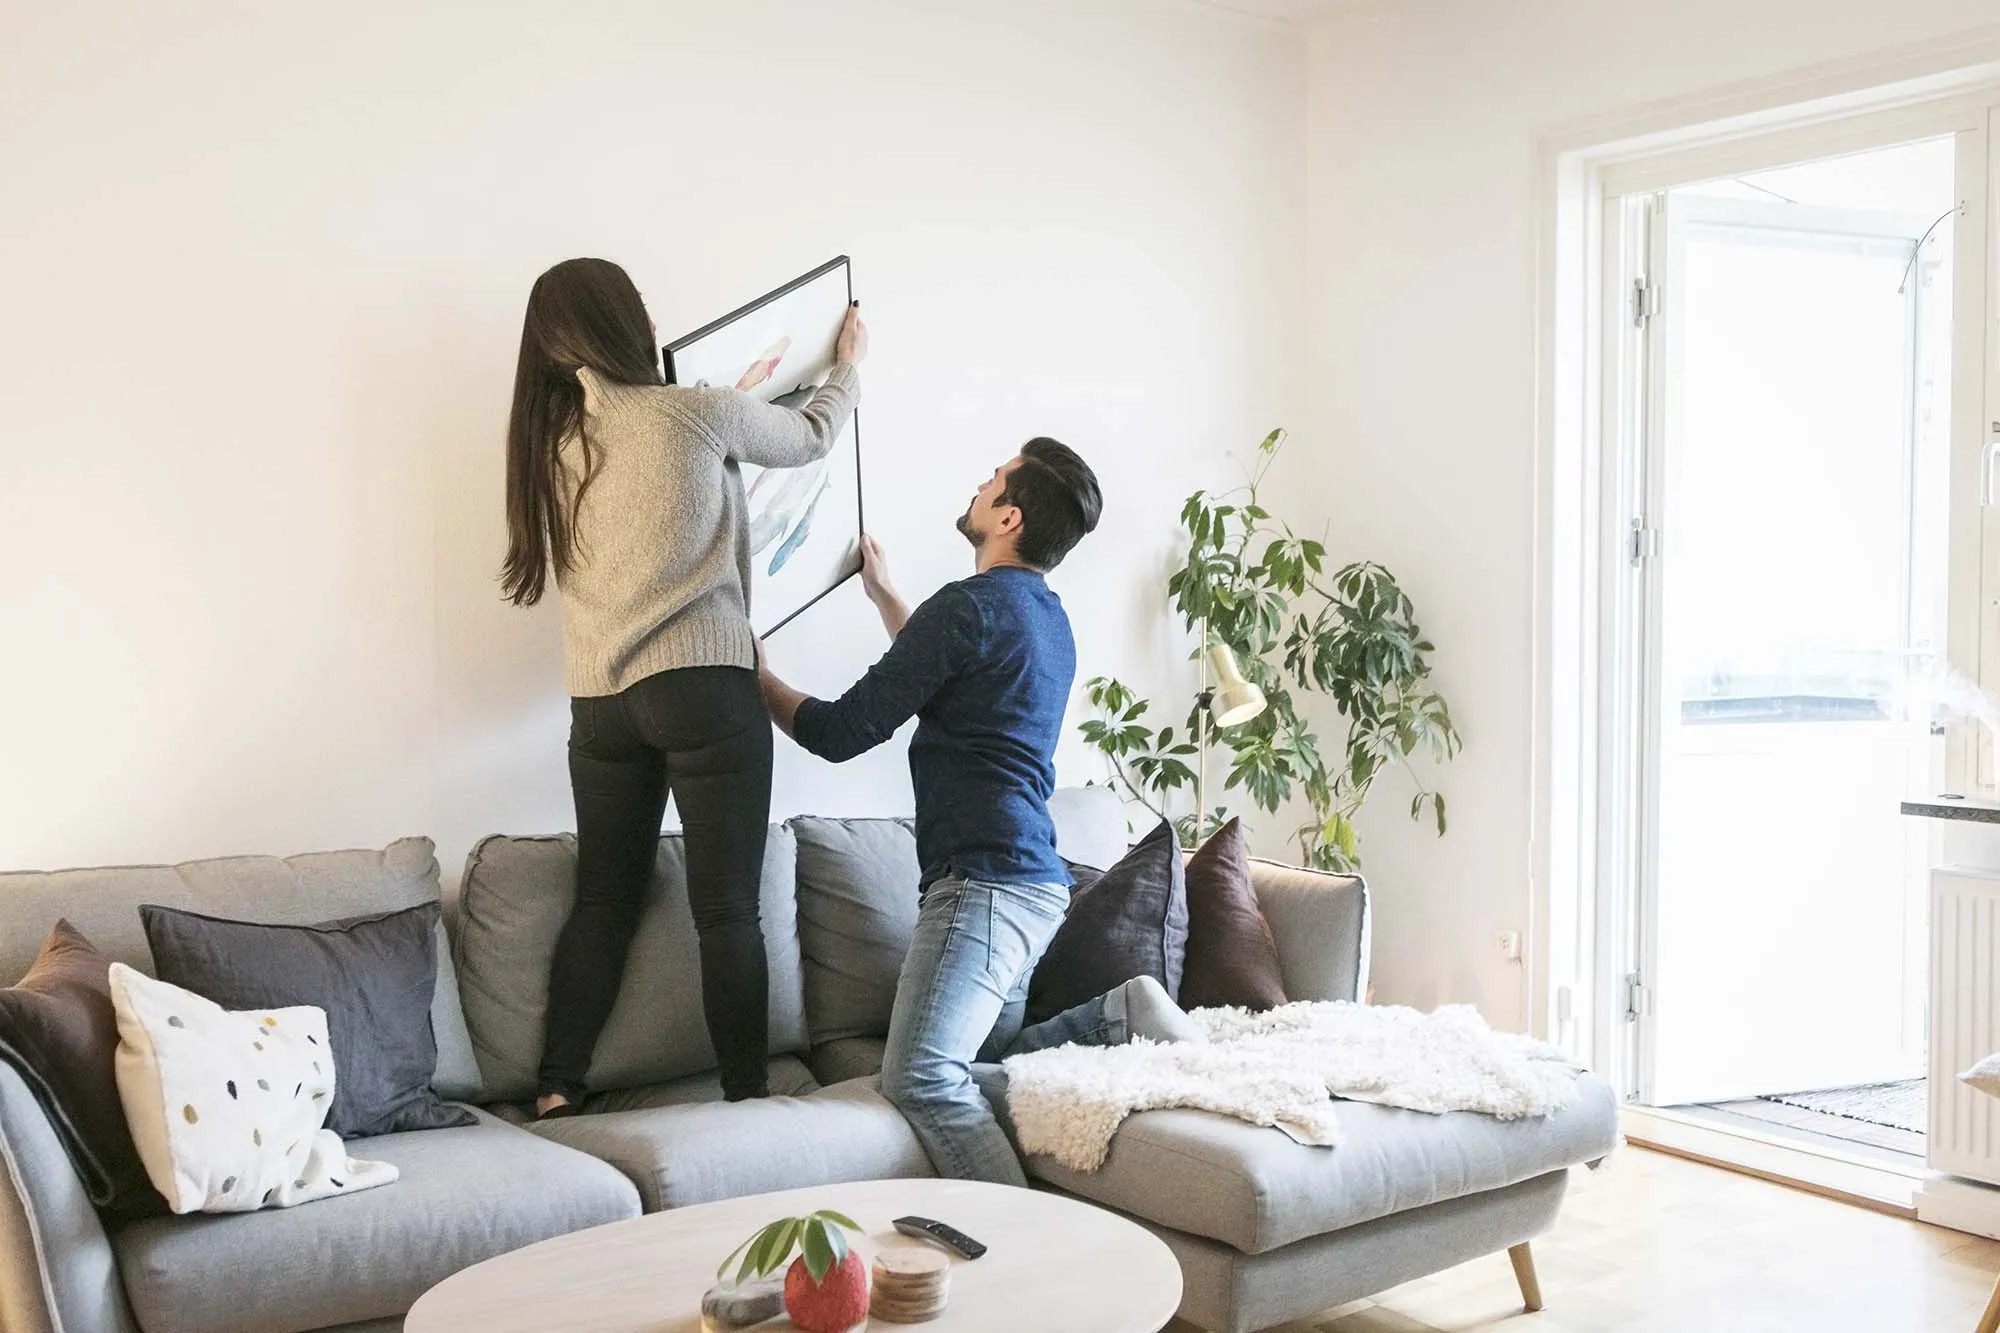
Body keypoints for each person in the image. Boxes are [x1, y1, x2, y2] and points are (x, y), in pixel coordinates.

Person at [758, 440, 1202, 1186]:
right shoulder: (1046, 620)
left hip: (983, 886)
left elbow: (838, 733)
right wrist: (884, 595)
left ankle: (1022, 1243)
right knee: (987, 1068)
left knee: (922, 1078)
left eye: (991, 480)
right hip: (1034, 886)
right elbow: (948, 669)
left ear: (1008, 514)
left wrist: (757, 677)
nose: (977, 485)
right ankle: (1116, 1017)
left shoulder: (965, 610)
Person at [501, 257, 867, 1116]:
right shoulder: (691, 414)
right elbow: (811, 434)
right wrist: (847, 364)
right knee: (728, 910)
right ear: (628, 323)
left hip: (599, 705)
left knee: (603, 899)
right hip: (701, 685)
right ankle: (747, 1099)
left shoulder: (551, 454)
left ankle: (557, 1086)